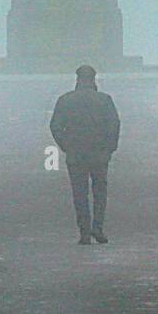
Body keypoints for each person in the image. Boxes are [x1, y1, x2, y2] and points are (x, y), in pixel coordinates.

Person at [49, 65, 121, 245]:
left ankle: (84, 231)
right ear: (94, 79)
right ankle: (98, 227)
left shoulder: (65, 100)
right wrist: (110, 148)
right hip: (99, 154)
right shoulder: (105, 100)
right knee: (100, 192)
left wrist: (66, 145)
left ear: (77, 79)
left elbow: (55, 126)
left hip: (76, 154)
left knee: (79, 193)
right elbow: (114, 125)